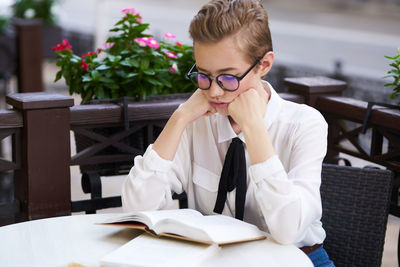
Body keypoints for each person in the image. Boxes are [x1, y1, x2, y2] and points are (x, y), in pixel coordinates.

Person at [122, 0, 334, 266]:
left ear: (264, 64)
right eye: (203, 75)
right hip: (216, 260)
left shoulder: (304, 124)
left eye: (228, 78)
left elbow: (288, 230)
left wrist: (254, 128)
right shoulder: (198, 119)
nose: (213, 92)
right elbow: (137, 209)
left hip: (297, 259)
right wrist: (179, 118)